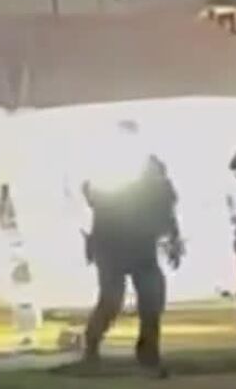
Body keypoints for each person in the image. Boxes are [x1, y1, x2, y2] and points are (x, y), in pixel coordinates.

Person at [80, 121, 184, 374]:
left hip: (139, 246)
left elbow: (167, 209)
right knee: (111, 300)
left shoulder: (152, 172)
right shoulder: (109, 168)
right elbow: (91, 194)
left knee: (152, 296)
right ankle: (92, 344)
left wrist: (173, 239)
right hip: (112, 244)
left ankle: (148, 351)